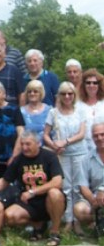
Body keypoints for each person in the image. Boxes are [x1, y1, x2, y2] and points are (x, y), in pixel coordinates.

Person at [0, 130, 65, 246]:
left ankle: (55, 232)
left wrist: (33, 191)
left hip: (49, 200)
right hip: (29, 203)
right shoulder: (19, 159)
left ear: (38, 143)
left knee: (55, 193)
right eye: (22, 144)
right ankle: (38, 225)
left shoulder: (49, 156)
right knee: (9, 216)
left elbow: (58, 182)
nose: (24, 147)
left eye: (28, 144)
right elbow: (4, 181)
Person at [44, 82, 87, 233]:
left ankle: (78, 222)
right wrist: (54, 145)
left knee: (79, 188)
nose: (67, 96)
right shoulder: (53, 112)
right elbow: (46, 135)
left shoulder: (80, 111)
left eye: (70, 93)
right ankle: (68, 221)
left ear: (74, 95)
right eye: (64, 94)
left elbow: (82, 134)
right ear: (59, 96)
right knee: (66, 188)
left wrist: (66, 141)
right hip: (62, 155)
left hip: (79, 153)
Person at [74, 121, 104, 234]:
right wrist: (93, 200)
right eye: (96, 136)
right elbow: (83, 185)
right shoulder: (86, 159)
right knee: (79, 210)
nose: (99, 138)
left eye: (102, 134)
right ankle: (97, 222)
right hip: (95, 198)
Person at [0, 42, 25, 106]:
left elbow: (21, 94)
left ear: (4, 54)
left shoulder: (14, 71)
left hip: (11, 112)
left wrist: (21, 112)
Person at [78, 68, 104, 151]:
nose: (91, 85)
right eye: (88, 83)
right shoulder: (77, 105)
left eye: (95, 83)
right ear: (84, 85)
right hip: (83, 148)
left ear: (99, 85)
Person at [20, 80, 51, 144]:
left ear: (41, 93)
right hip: (26, 149)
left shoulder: (49, 111)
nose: (32, 93)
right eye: (29, 91)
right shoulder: (21, 112)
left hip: (46, 149)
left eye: (35, 91)